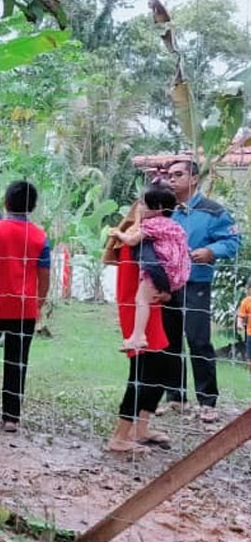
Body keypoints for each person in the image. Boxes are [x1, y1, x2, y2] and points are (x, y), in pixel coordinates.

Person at [157, 159, 240, 423]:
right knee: (168, 341)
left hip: (196, 284)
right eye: (170, 175)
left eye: (178, 174)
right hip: (168, 285)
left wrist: (211, 252)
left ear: (193, 179)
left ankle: (207, 401)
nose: (172, 180)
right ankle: (175, 397)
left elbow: (233, 240)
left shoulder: (213, 212)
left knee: (198, 340)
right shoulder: (165, 210)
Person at [0, 180, 50, 432]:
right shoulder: (40, 235)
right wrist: (38, 303)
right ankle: (11, 418)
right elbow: (44, 277)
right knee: (17, 362)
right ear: (33, 206)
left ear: (6, 202)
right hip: (24, 310)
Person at [105, 202, 173, 453]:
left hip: (146, 312)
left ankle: (140, 428)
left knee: (158, 369)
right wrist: (167, 290)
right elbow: (154, 270)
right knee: (142, 374)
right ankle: (120, 436)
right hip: (139, 315)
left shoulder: (136, 236)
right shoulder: (139, 240)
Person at [110, 185, 191, 352]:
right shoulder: (173, 225)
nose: (140, 208)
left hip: (159, 271)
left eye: (144, 205)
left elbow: (132, 240)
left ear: (158, 208)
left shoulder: (152, 225)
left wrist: (118, 234)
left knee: (141, 300)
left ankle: (138, 336)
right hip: (177, 274)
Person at [236, 281, 251, 378]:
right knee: (250, 358)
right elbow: (240, 316)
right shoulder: (246, 301)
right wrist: (239, 324)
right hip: (250, 335)